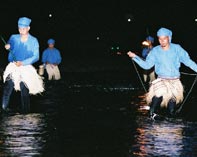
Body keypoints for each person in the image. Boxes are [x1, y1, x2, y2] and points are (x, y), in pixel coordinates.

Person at [127, 27, 197, 119]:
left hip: (174, 81)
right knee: (159, 93)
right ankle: (152, 113)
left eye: (164, 38)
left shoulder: (177, 49)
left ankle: (170, 118)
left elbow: (188, 61)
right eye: (160, 38)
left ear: (169, 37)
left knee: (172, 104)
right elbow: (147, 65)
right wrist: (135, 57)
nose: (162, 41)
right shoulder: (155, 51)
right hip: (161, 79)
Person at [2, 17, 44, 113]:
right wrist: (7, 45)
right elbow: (10, 43)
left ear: (28, 28)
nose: (21, 31)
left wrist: (23, 63)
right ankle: (3, 112)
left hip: (26, 67)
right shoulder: (14, 37)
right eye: (19, 28)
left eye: (23, 29)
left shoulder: (34, 40)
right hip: (13, 66)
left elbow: (36, 56)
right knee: (8, 87)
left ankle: (26, 114)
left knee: (24, 88)